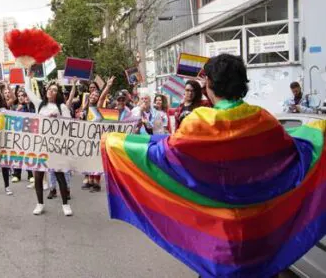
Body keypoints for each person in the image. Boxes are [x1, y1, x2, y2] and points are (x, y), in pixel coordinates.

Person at [102, 54, 326, 277]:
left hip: (218, 247)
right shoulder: (263, 121)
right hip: (261, 241)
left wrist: (113, 142)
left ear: (208, 83)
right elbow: (299, 152)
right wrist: (319, 129)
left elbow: (159, 155)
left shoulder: (199, 123)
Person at [24, 74, 73, 216]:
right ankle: (39, 204)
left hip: (55, 146)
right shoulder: (39, 104)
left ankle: (65, 204)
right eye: (49, 89)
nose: (51, 91)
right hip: (40, 146)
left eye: (54, 90)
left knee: (59, 175)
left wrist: (56, 119)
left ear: (57, 94)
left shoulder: (62, 107)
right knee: (38, 176)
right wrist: (28, 75)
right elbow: (27, 90)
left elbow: (69, 124)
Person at [11, 88, 35, 184]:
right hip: (18, 134)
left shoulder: (31, 107)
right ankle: (17, 174)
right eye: (20, 96)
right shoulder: (16, 107)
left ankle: (30, 175)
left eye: (23, 96)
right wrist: (17, 110)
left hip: (29, 134)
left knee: (28, 154)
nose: (22, 97)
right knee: (18, 154)